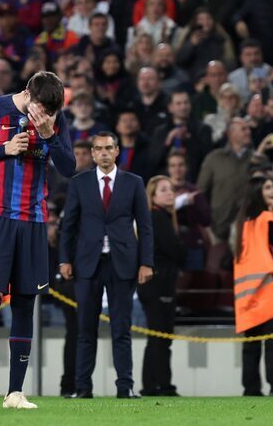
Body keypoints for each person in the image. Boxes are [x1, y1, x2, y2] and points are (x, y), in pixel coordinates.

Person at [0, 71, 75, 410]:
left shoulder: (55, 119)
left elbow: (69, 167)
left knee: (25, 305)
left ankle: (15, 393)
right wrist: (2, 149)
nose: (45, 115)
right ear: (27, 94)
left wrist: (50, 135)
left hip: (34, 222)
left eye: (52, 111)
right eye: (42, 109)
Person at [59, 131, 154, 399]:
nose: (103, 152)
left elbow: (145, 227)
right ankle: (82, 388)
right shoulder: (79, 183)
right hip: (87, 265)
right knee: (85, 329)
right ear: (92, 153)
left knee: (121, 329)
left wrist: (146, 263)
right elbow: (69, 226)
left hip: (122, 263)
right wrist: (64, 259)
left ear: (117, 151)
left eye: (108, 148)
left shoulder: (134, 183)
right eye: (98, 148)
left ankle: (125, 387)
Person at [232, 176, 273, 397]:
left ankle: (251, 389)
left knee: (251, 345)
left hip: (245, 293)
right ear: (258, 191)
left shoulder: (242, 223)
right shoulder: (267, 218)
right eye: (268, 187)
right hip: (266, 289)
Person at [139, 175, 185, 397]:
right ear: (153, 196)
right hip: (159, 284)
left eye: (171, 189)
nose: (170, 193)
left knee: (158, 336)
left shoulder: (159, 217)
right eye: (164, 190)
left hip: (156, 283)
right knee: (161, 336)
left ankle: (152, 385)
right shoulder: (157, 218)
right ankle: (161, 385)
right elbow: (176, 250)